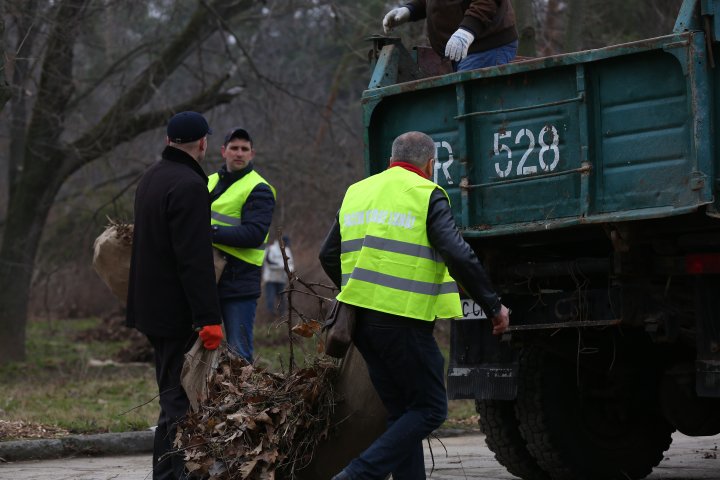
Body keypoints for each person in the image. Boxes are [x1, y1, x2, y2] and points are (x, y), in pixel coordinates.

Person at [319, 131, 510, 480]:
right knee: (431, 409)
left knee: (401, 412)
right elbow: (457, 253)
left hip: (361, 325)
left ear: (391, 159)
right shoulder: (426, 194)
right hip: (403, 322)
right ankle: (357, 474)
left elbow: (328, 254)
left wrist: (358, 289)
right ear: (430, 163)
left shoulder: (358, 192)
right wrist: (493, 306)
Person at [126, 111, 224, 480]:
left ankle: (168, 475)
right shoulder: (189, 185)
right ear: (202, 143)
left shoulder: (152, 177)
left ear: (169, 141)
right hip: (177, 313)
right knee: (179, 404)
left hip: (151, 309)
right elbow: (194, 259)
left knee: (172, 399)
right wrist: (209, 317)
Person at [209, 127, 276, 363]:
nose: (239, 153)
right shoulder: (208, 182)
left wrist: (209, 233)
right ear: (223, 151)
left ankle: (241, 400)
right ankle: (207, 399)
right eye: (234, 148)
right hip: (208, 277)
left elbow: (254, 234)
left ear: (252, 154)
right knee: (204, 350)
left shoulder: (259, 188)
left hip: (239, 281)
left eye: (244, 149)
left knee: (239, 355)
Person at [382, 0, 518, 72]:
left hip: (486, 47)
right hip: (465, 51)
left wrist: (467, 30)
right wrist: (409, 10)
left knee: (477, 115)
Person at [262, 235, 295, 317]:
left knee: (282, 299)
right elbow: (269, 263)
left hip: (281, 279)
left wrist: (290, 270)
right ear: (282, 242)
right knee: (270, 300)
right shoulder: (271, 249)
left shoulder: (287, 250)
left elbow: (291, 264)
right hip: (270, 279)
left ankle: (282, 317)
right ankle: (270, 318)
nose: (287, 245)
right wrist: (282, 266)